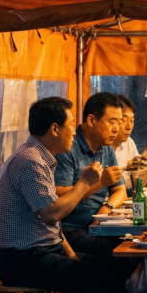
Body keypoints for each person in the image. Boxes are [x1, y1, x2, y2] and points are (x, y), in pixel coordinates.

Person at [0, 96, 128, 293]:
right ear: (55, 128)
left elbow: (53, 230)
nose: (72, 132)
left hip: (43, 249)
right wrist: (85, 185)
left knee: (114, 270)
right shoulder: (29, 161)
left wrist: (73, 256)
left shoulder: (42, 158)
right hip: (21, 259)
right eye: (69, 126)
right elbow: (52, 215)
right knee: (101, 282)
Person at [55, 92, 129, 277]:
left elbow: (120, 190)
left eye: (119, 123)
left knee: (133, 248)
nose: (117, 129)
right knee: (121, 258)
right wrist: (99, 183)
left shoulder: (106, 148)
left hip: (99, 226)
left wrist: (108, 205)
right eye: (112, 122)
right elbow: (59, 195)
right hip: (70, 229)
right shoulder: (67, 148)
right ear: (91, 120)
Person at [112, 95, 142, 191]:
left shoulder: (130, 143)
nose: (129, 126)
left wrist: (143, 166)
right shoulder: (101, 143)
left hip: (125, 197)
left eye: (132, 121)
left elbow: (139, 178)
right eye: (124, 120)